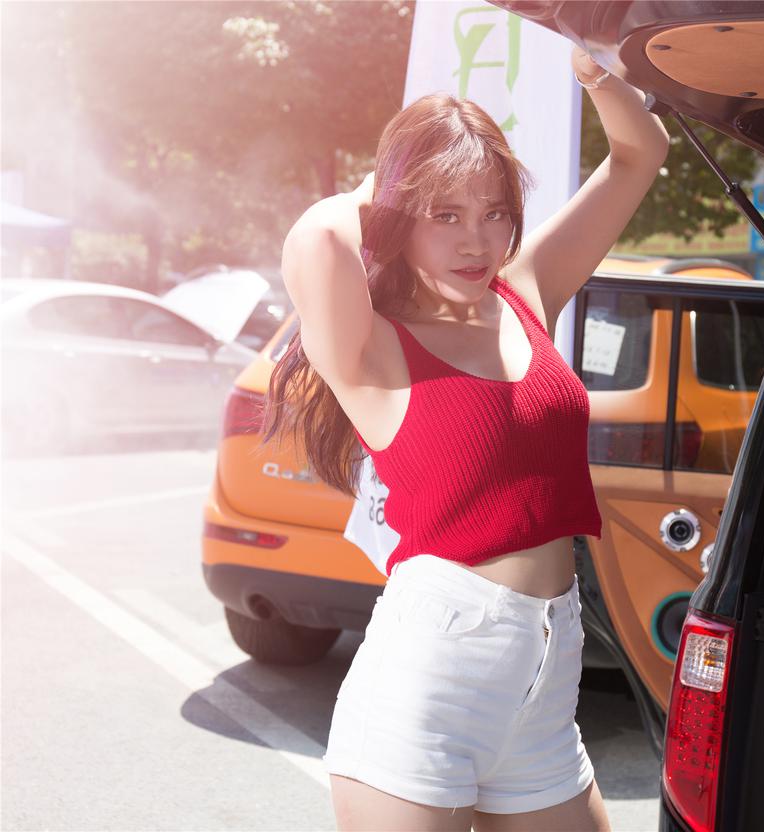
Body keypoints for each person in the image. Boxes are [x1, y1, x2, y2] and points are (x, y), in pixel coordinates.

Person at [264, 44, 669, 832]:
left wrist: (591, 67)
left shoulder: (525, 294)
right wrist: (400, 175)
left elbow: (639, 154)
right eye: (444, 215)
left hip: (547, 676)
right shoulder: (371, 348)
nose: (475, 242)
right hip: (430, 683)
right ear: (398, 218)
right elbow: (318, 242)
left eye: (493, 213)